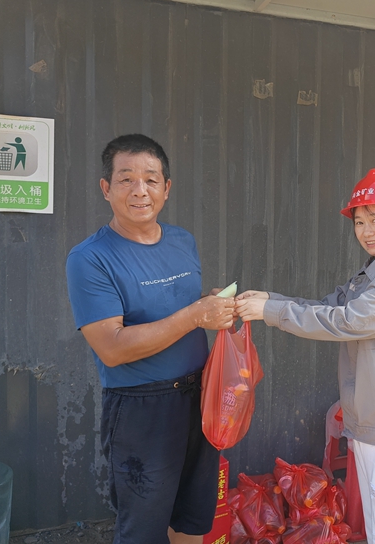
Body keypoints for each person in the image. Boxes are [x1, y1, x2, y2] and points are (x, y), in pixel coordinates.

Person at [235, 168, 375, 544]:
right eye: (359, 221)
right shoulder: (371, 275)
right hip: (371, 425)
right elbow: (327, 307)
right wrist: (269, 300)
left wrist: (270, 311)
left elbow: (347, 321)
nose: (366, 231)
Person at [65, 134, 235, 544]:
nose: (140, 190)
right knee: (143, 529)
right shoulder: (90, 258)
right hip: (142, 407)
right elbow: (112, 347)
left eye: (151, 179)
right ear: (106, 188)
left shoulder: (182, 241)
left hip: (201, 398)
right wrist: (196, 315)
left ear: (167, 188)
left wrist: (210, 303)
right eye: (126, 179)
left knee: (193, 519)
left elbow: (174, 306)